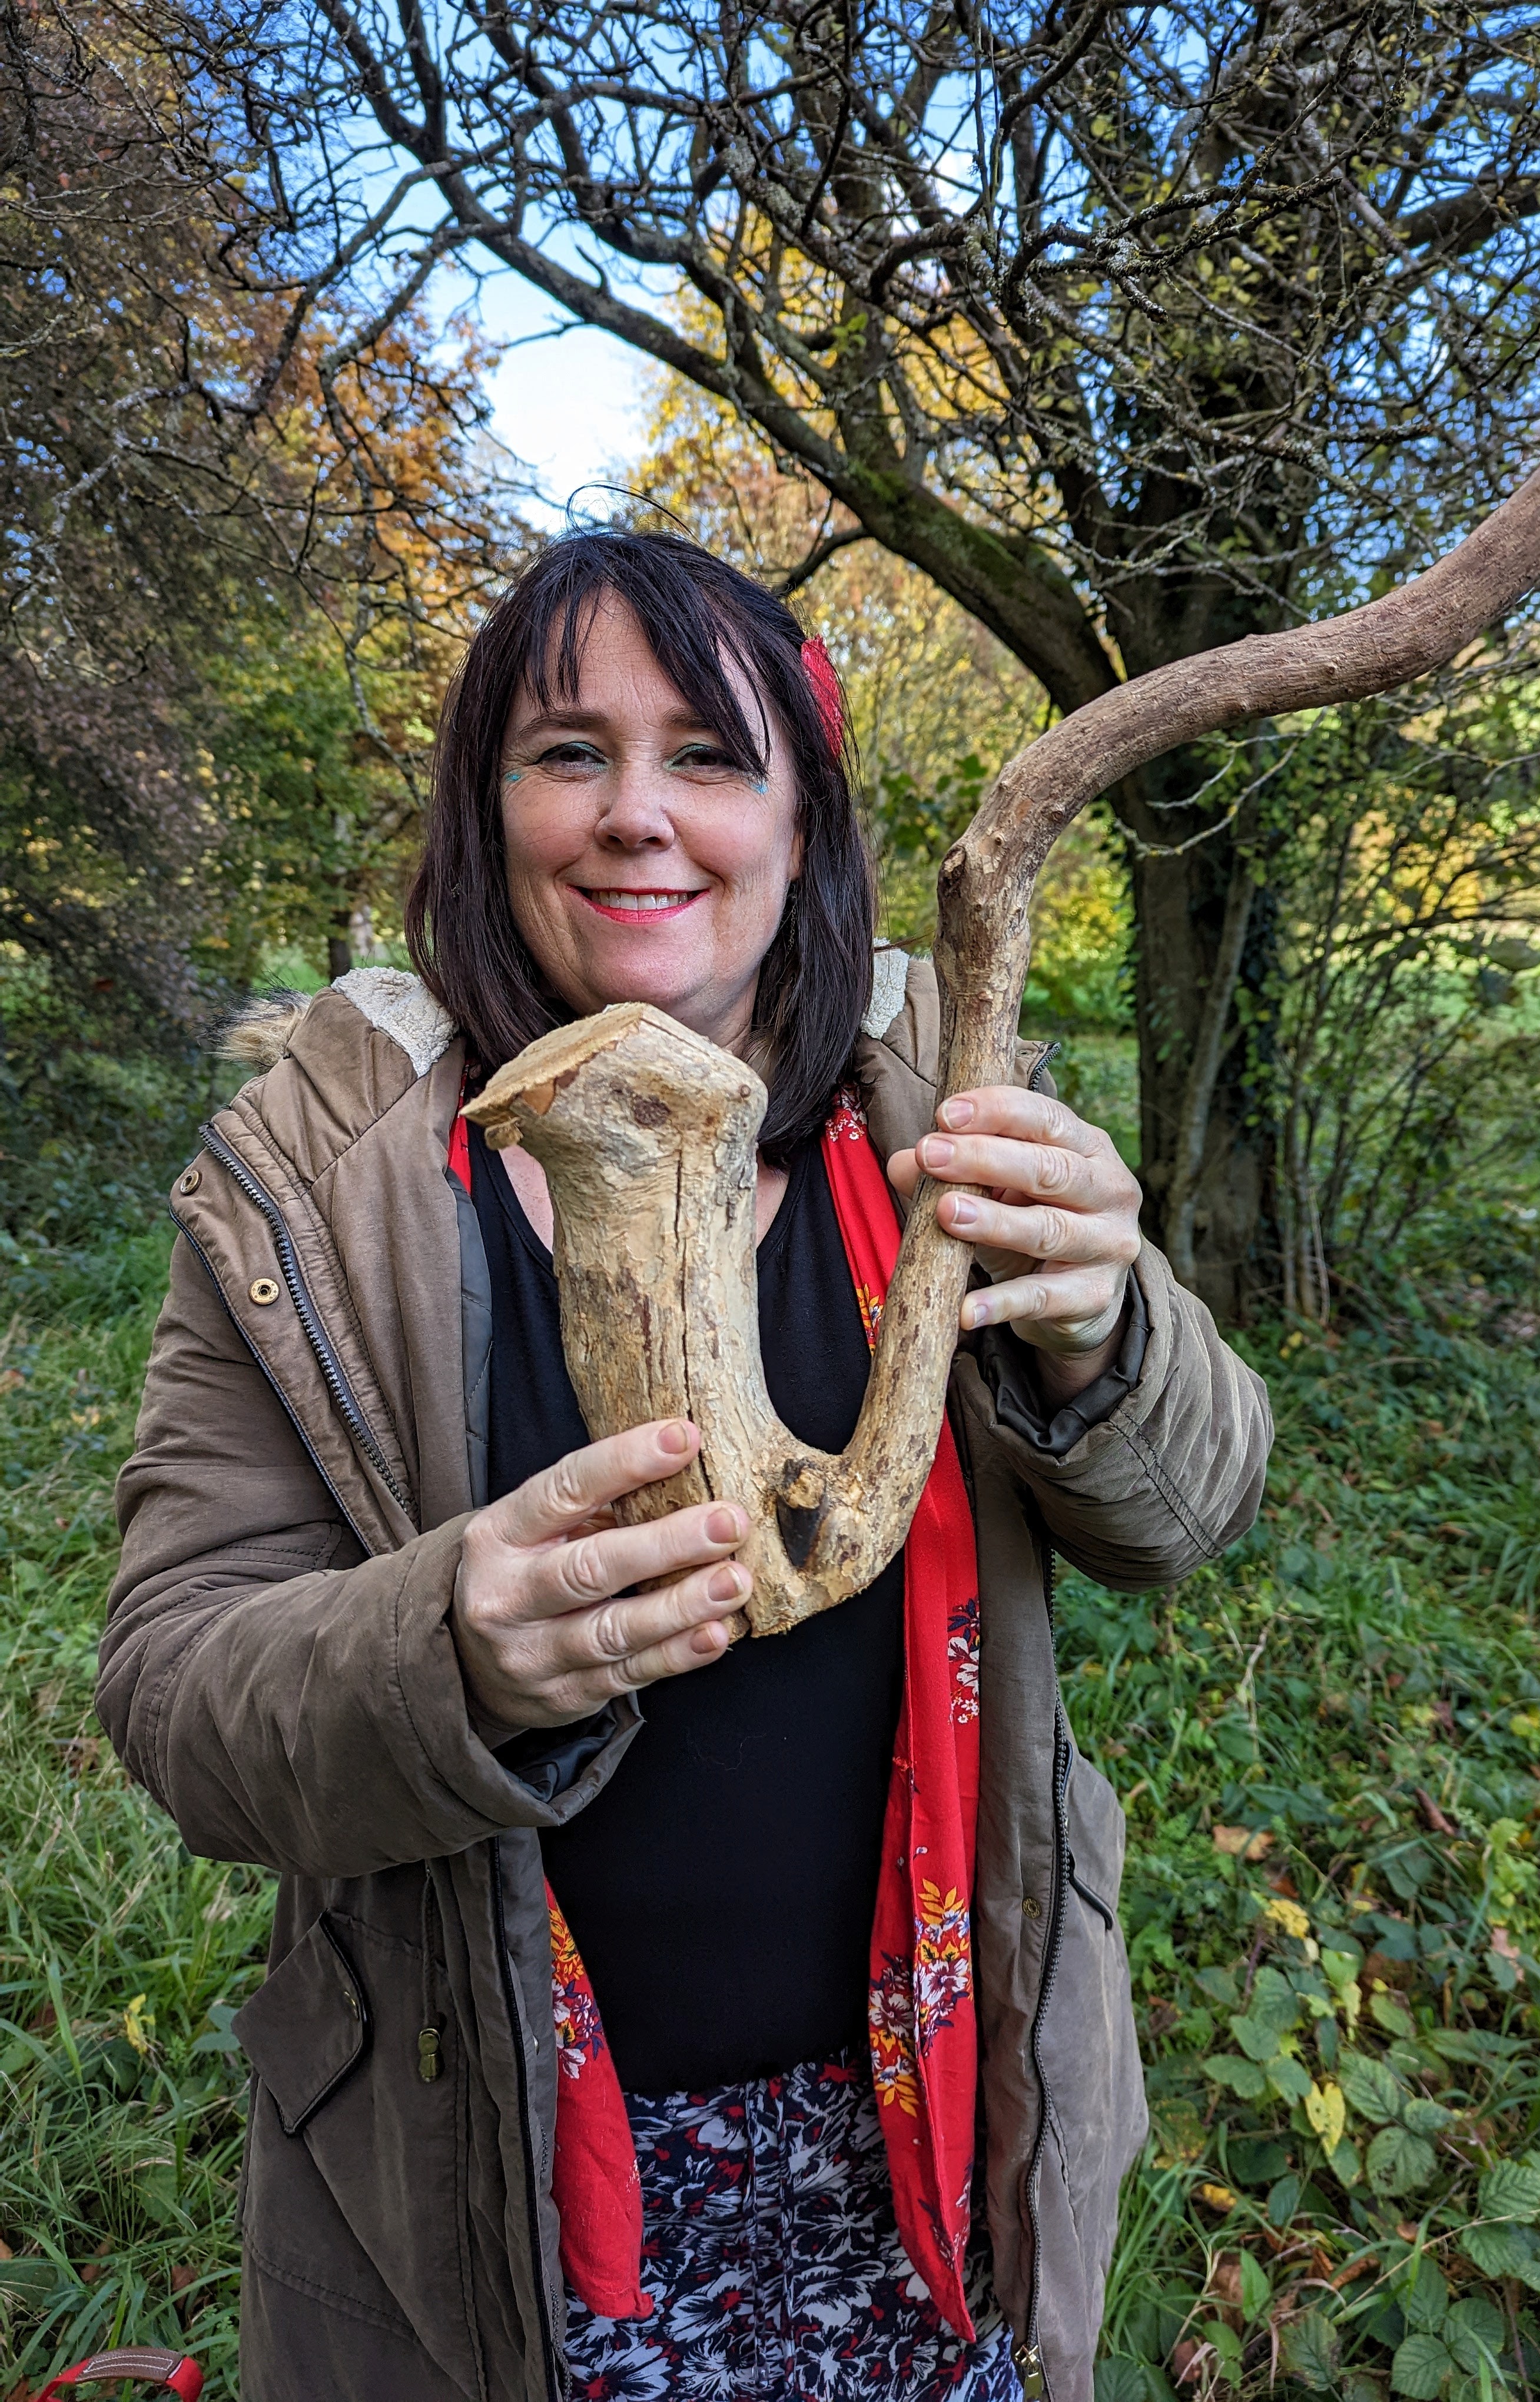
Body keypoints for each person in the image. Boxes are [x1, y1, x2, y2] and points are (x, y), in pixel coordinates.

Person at [99, 529, 1272, 2402]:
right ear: (489, 813)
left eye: (710, 757)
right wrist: (450, 1655)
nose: (637, 814)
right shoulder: (314, 1186)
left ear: (802, 828)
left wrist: (1102, 1325)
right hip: (493, 2171)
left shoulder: (952, 1116)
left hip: (927, 2146)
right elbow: (174, 1688)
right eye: (569, 751)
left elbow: (1193, 1511)